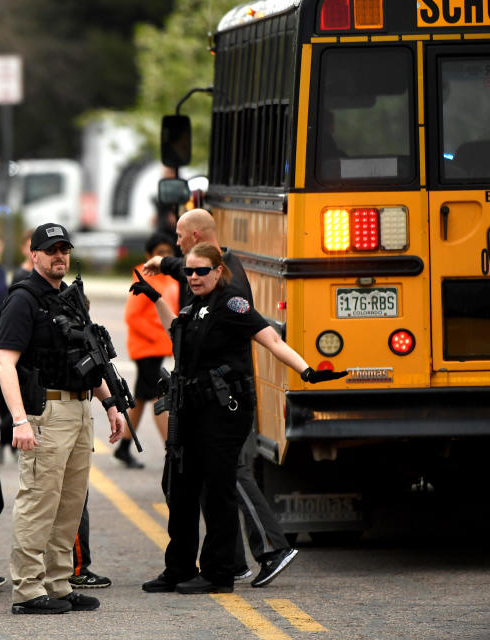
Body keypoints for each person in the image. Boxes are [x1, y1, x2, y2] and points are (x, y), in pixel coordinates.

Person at [132, 243, 346, 594]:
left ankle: (218, 574)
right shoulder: (195, 302)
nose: (194, 277)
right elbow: (178, 337)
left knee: (218, 491)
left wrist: (307, 372)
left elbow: (271, 340)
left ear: (218, 271)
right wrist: (156, 299)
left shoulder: (232, 303)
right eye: (189, 272)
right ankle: (179, 568)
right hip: (191, 409)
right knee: (180, 489)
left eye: (202, 271)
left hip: (222, 412)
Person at [142, 208, 299, 587]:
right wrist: (163, 266)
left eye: (180, 236)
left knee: (229, 477)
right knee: (200, 484)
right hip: (202, 404)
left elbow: (267, 337)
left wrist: (305, 370)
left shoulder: (229, 291)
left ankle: (267, 550)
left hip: (226, 402)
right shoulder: (208, 275)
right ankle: (225, 562)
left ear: (196, 237)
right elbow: (182, 296)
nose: (189, 271)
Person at [0, 223, 126, 615]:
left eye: (64, 250)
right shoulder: (23, 300)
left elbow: (88, 360)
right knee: (39, 502)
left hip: (79, 407)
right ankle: (28, 589)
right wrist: (19, 420)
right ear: (34, 254)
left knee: (69, 504)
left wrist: (110, 404)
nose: (59, 256)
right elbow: (5, 363)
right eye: (51, 250)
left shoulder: (70, 299)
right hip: (45, 411)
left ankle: (58, 582)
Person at [117, 233, 179, 468]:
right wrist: (162, 337)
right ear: (149, 255)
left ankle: (123, 447)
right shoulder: (145, 276)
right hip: (146, 349)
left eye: (168, 252)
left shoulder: (169, 278)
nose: (164, 256)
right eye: (159, 252)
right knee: (157, 399)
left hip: (158, 348)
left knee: (141, 399)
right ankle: (171, 450)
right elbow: (132, 316)